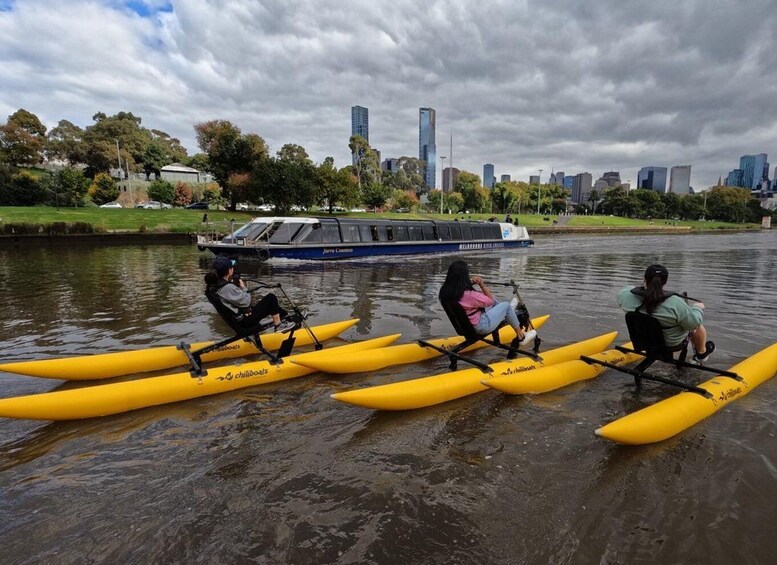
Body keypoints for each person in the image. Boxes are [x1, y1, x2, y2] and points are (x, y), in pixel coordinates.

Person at [617, 264, 714, 363]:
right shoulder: (675, 303)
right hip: (670, 344)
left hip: (643, 341)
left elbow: (628, 290)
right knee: (698, 326)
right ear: (665, 281)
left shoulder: (626, 295)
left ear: (644, 279)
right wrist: (697, 308)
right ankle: (701, 355)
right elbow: (694, 323)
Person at [439, 260, 536, 349]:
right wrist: (482, 285)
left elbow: (471, 299)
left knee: (498, 306)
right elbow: (491, 301)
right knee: (505, 305)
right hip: (481, 326)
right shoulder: (470, 295)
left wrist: (468, 284)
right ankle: (521, 337)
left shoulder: (445, 293)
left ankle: (509, 311)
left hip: (465, 326)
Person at [205, 256, 294, 332]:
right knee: (271, 298)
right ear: (229, 271)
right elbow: (246, 301)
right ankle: (278, 325)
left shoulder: (214, 287)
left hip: (237, 322)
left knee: (270, 305)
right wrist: (243, 287)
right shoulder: (227, 288)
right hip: (245, 323)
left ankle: (287, 318)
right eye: (232, 267)